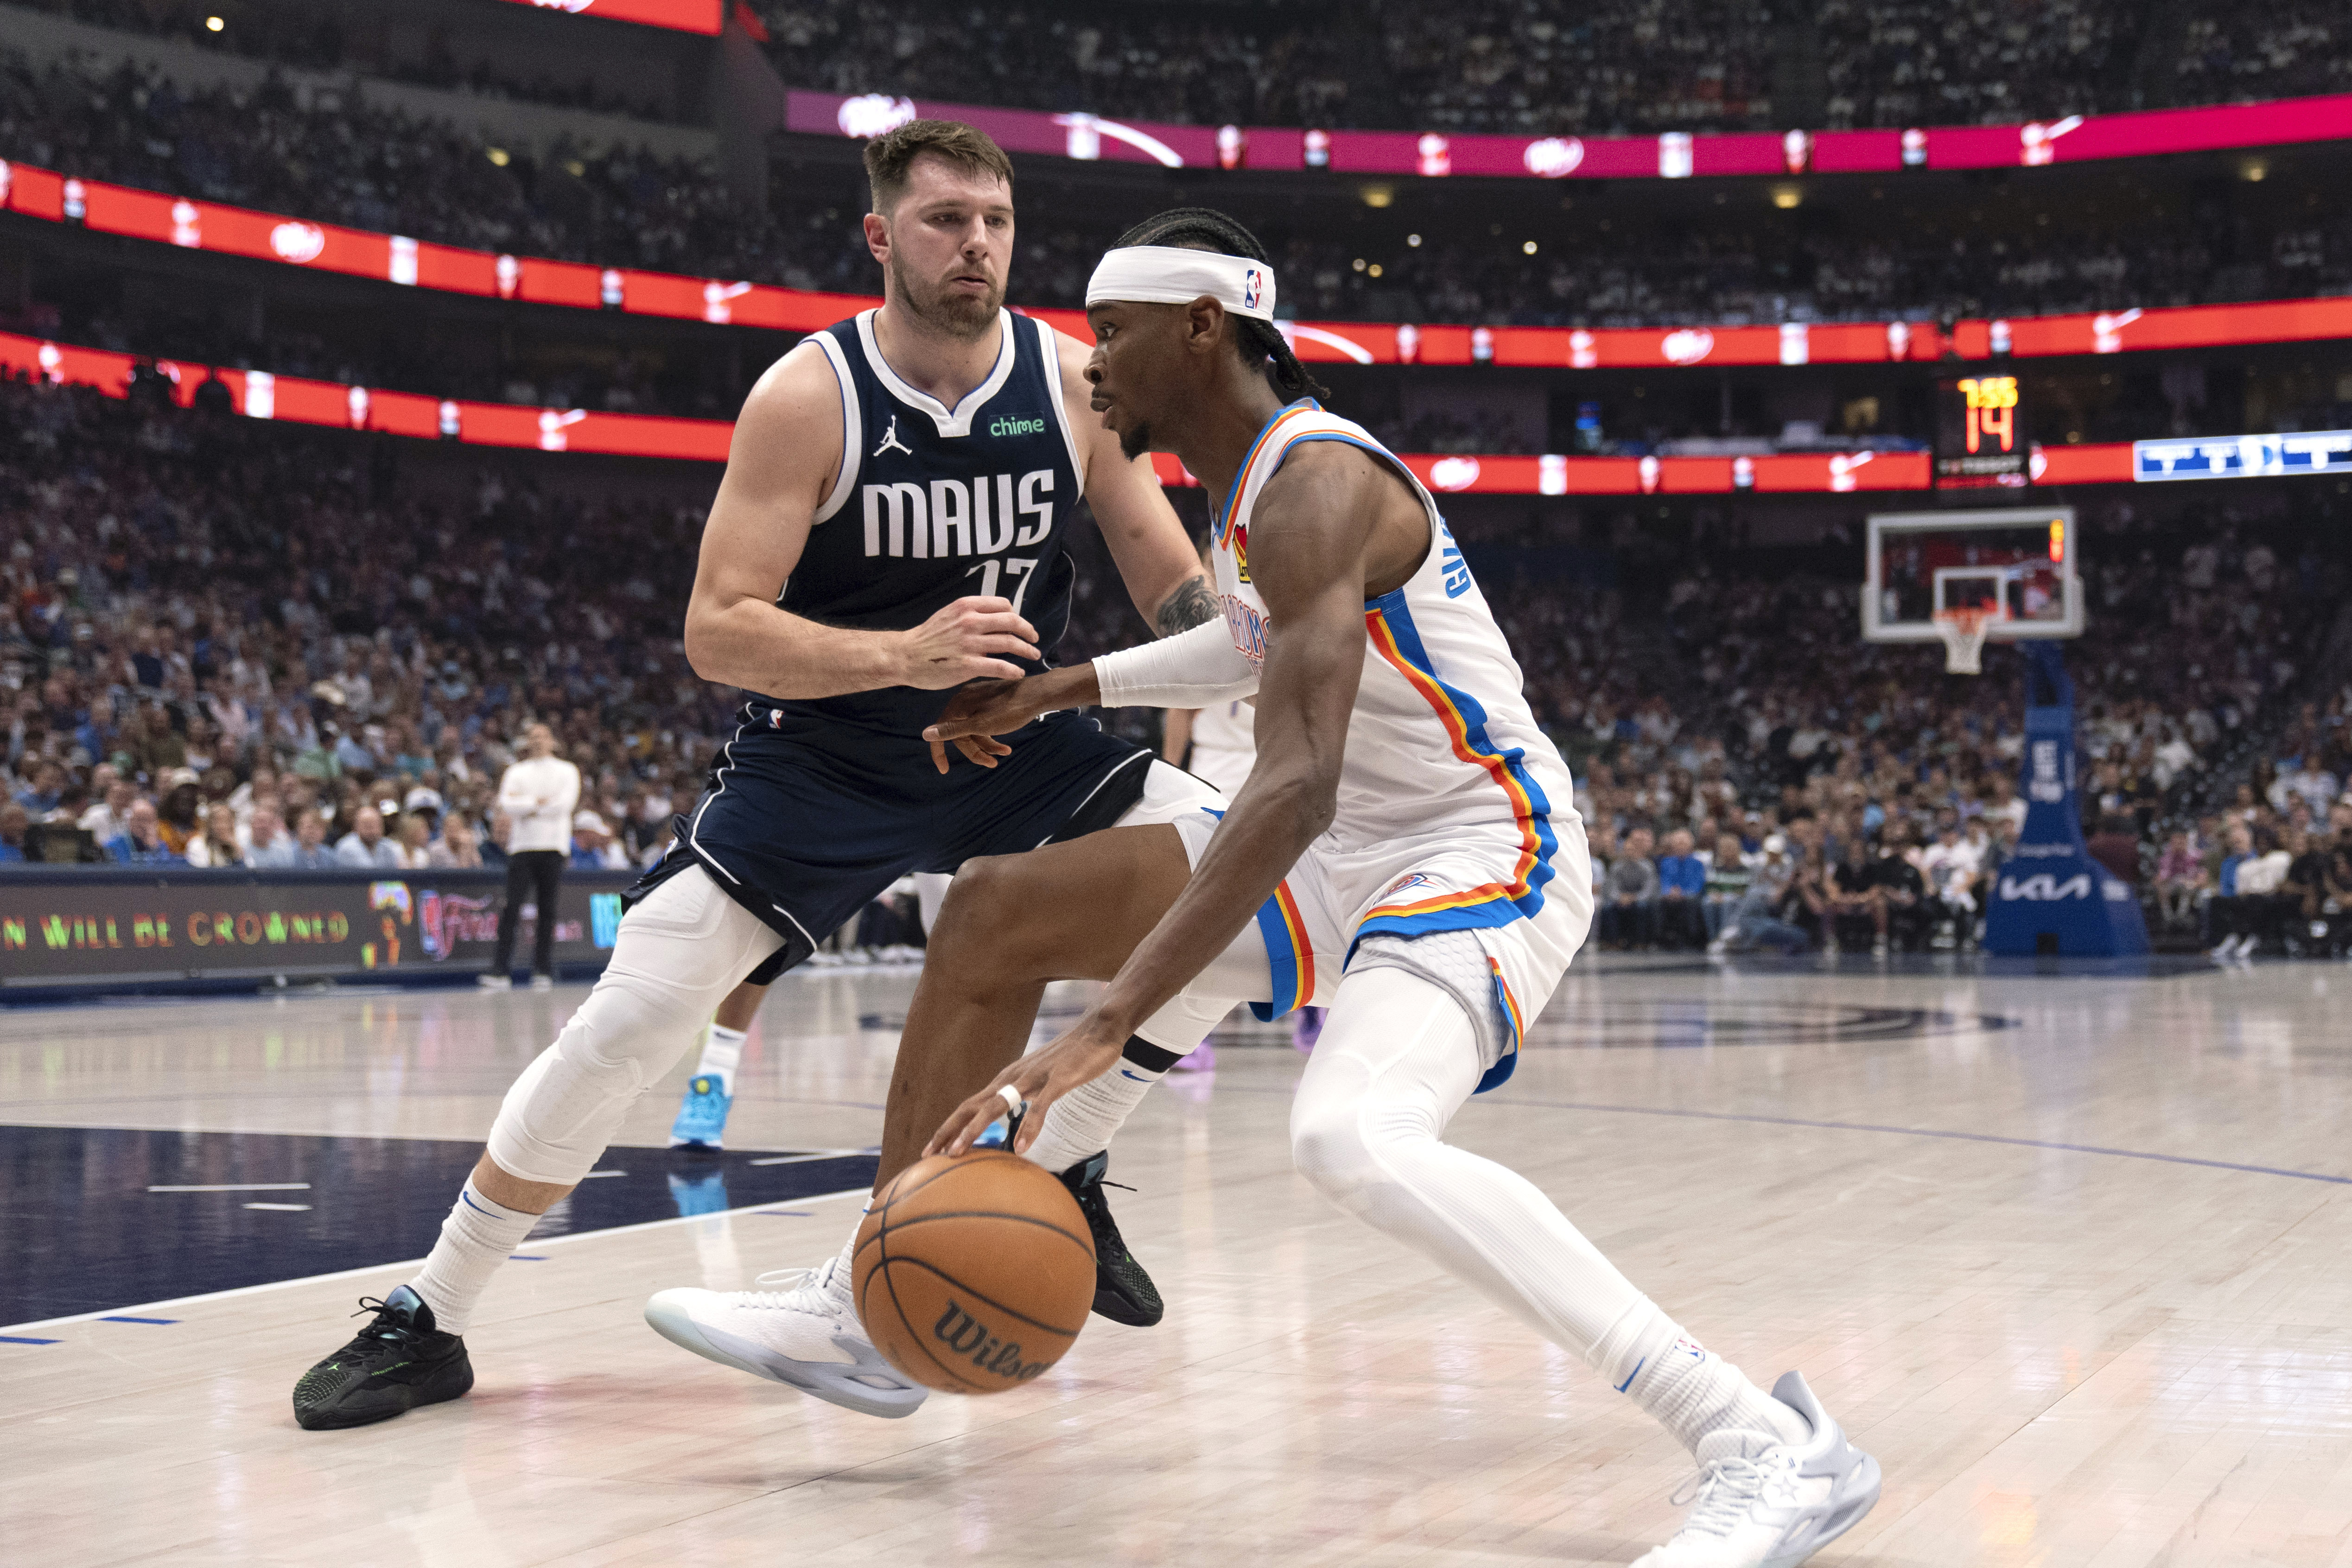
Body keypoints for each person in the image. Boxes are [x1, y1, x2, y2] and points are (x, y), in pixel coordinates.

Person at [655, 212, 1880, 1567]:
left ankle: (1761, 1440)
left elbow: (1289, 782)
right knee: (997, 908)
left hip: (1478, 844)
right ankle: (875, 1305)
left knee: (1347, 1134)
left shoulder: (1312, 483)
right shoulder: (1253, 486)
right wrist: (1072, 681)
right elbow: (1246, 652)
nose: (1088, 365)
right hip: (1341, 844)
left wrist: (1113, 1016)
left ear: (1198, 328)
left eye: (1108, 335)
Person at [288, 121, 1225, 1432]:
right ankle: (431, 1313)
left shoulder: (1071, 382)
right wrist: (903, 648)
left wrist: (1247, 640)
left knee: (1251, 873)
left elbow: (1167, 575)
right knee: (628, 1023)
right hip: (828, 752)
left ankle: (1059, 1158)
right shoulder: (808, 394)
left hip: (1016, 735)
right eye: (947, 218)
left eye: (996, 221)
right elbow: (717, 626)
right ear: (882, 238)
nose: (977, 243)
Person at [483, 722, 579, 992]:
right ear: (527, 742)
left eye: (542, 737)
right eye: (533, 738)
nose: (537, 742)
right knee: (511, 907)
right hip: (522, 846)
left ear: (552, 741)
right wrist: (539, 803)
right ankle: (500, 970)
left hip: (552, 846)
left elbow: (565, 804)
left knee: (547, 909)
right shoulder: (516, 771)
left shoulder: (567, 770)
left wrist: (526, 804)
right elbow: (507, 804)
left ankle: (542, 970)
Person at [334, 805, 404, 870]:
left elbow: (395, 875)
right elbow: (369, 874)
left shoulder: (388, 846)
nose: (372, 831)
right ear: (356, 827)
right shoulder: (347, 847)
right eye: (367, 826)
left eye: (376, 826)